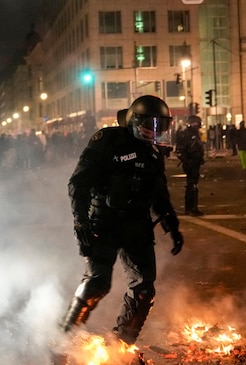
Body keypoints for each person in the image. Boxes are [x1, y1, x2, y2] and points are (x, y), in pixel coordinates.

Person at [60, 95, 184, 346]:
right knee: (97, 284)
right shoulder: (107, 141)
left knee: (144, 289)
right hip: (103, 222)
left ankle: (121, 346)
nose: (154, 133)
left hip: (137, 225)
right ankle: (63, 340)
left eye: (160, 127)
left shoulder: (153, 153)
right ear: (134, 120)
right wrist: (80, 221)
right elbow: (78, 183)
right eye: (149, 126)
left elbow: (159, 194)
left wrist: (172, 225)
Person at [175, 114, 206, 216]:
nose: (195, 124)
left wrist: (200, 159)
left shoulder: (195, 134)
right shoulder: (186, 134)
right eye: (194, 123)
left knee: (194, 186)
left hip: (195, 163)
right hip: (190, 163)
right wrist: (187, 162)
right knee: (191, 186)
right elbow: (181, 151)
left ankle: (194, 207)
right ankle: (189, 208)